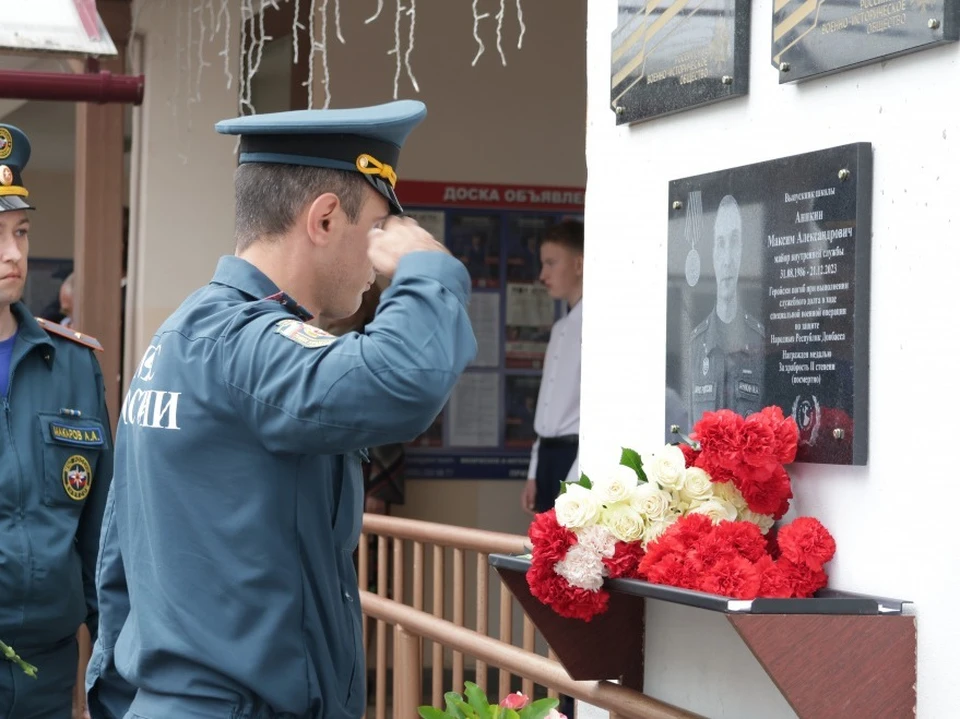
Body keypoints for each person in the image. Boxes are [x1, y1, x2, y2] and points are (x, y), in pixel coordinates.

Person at [85, 100, 477, 719]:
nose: (379, 268)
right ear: (324, 218)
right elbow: (401, 380)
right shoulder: (248, 344)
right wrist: (427, 269)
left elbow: (119, 552)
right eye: (378, 230)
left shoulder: (184, 333)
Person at [0, 123, 113, 719]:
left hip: (48, 671)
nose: (14, 252)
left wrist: (114, 662)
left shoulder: (72, 365)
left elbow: (101, 532)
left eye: (20, 231)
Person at [520, 220, 584, 515]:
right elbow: (547, 406)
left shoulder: (597, 326)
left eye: (551, 263)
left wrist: (575, 479)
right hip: (547, 455)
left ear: (578, 264)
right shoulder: (560, 328)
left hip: (574, 458)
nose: (542, 274)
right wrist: (535, 470)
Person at [688, 194, 765, 423]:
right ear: (713, 253)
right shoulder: (695, 346)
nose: (727, 259)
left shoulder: (759, 340)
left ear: (741, 250)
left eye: (734, 241)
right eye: (721, 244)